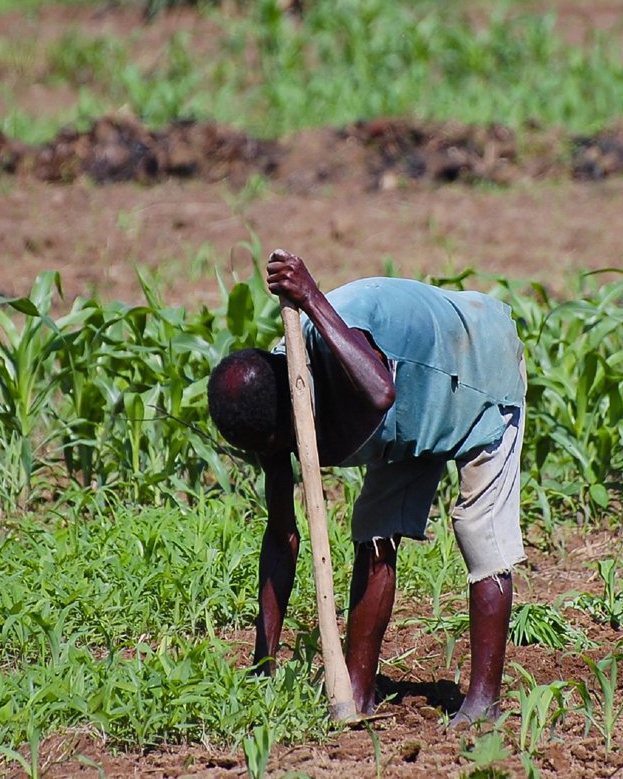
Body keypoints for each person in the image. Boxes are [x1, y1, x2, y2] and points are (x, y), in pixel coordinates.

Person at [206, 250, 528, 725]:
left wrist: (311, 296)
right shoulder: (272, 412)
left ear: (287, 418)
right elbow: (281, 535)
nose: (278, 454)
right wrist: (263, 662)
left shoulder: (332, 344)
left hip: (477, 368)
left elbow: (380, 392)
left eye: (280, 443)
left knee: (481, 536)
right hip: (408, 422)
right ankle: (357, 692)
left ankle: (484, 703)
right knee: (374, 532)